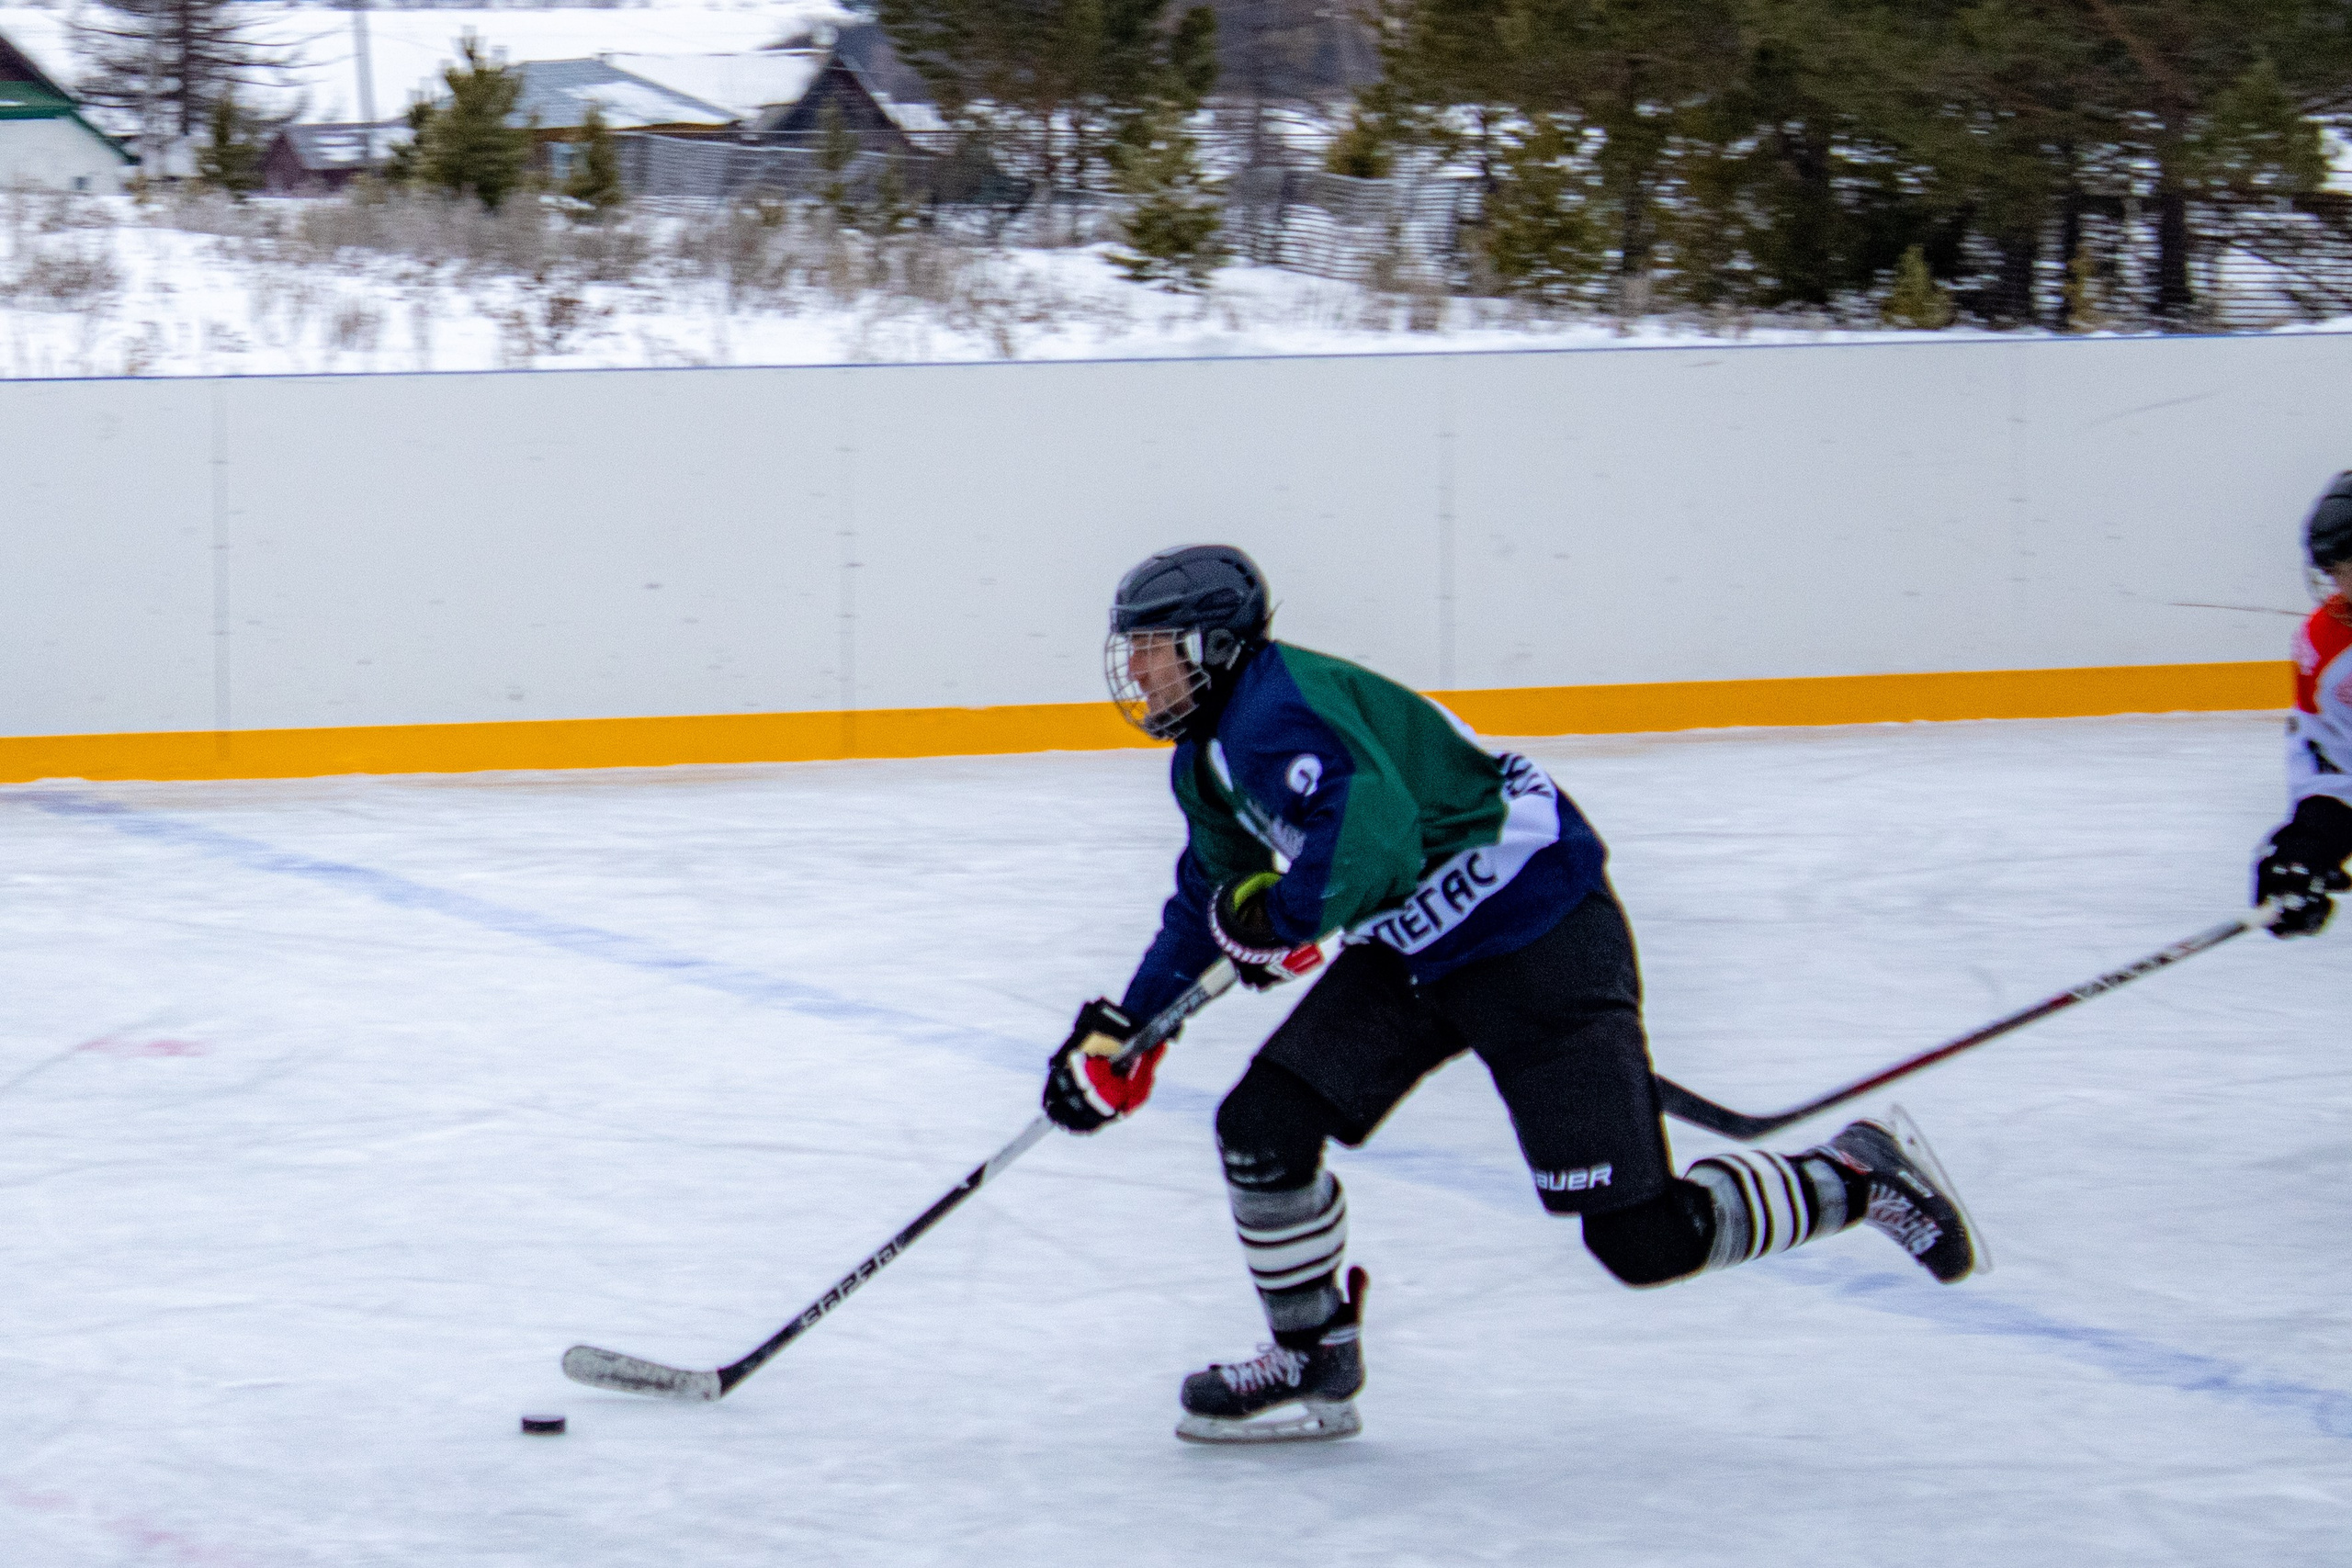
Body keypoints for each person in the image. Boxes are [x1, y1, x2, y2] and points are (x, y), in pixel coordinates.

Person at [1040, 545, 1984, 1445]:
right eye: (1133, 652)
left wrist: (1283, 918)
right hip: (1416, 955)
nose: (1138, 673)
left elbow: (1372, 843)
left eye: (1153, 651)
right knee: (1261, 1125)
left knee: (1640, 1242)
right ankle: (1310, 1357)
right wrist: (1129, 1025)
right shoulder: (1205, 757)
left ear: (1213, 644)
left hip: (1536, 932)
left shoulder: (1276, 711)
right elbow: (1209, 894)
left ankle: (1856, 1177)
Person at [2256, 473, 2352, 937]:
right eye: (2331, 571)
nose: (2337, 586)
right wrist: (2311, 842)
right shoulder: (2326, 644)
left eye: (2344, 567)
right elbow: (2336, 760)